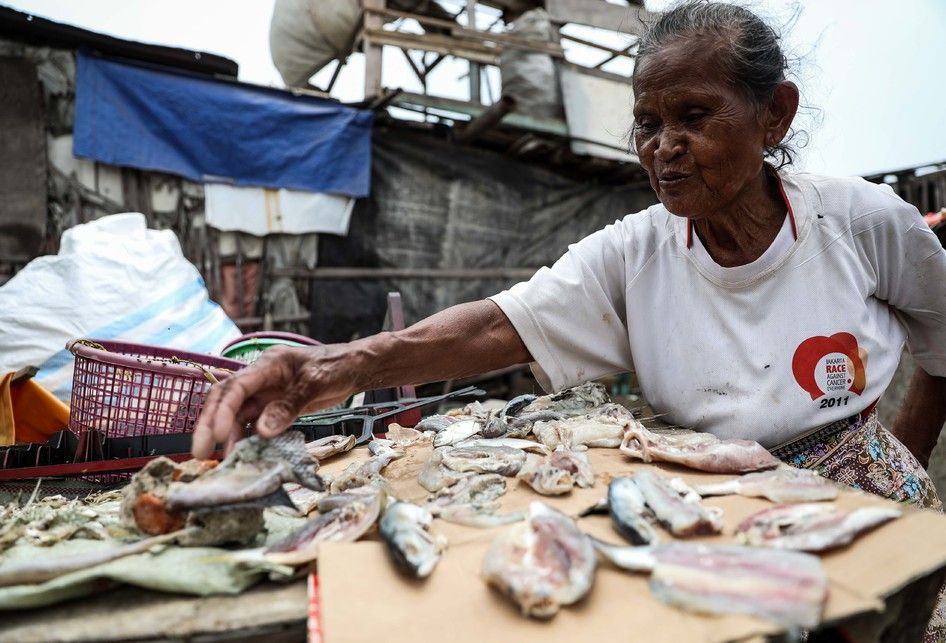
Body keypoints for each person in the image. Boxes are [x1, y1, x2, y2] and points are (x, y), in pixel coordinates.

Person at [195, 3, 946, 516]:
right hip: (717, 498)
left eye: (693, 116)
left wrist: (897, 455)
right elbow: (497, 326)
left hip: (863, 483)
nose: (662, 147)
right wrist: (329, 367)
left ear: (773, 113)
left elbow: (943, 342)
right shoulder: (634, 251)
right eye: (647, 123)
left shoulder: (859, 220)